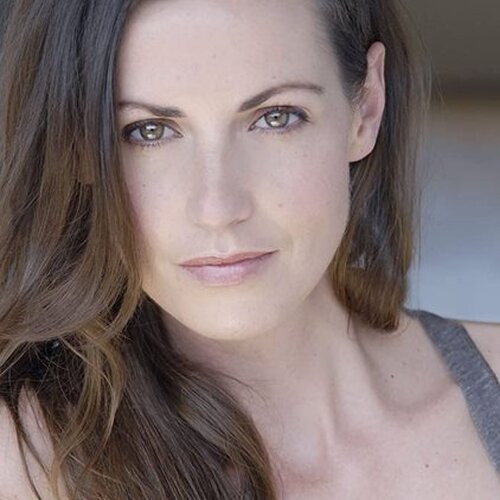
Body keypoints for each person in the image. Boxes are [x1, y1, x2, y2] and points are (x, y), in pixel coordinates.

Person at [0, 0, 499, 498]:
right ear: (78, 152)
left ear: (366, 108)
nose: (218, 209)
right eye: (148, 131)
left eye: (276, 118)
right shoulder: (30, 464)